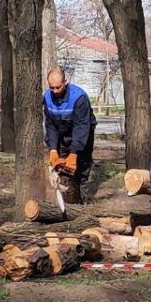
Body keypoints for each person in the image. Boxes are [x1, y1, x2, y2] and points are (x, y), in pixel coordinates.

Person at [44, 67, 96, 203]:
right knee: (61, 168)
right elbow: (50, 125)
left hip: (83, 131)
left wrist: (74, 152)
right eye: (52, 88)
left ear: (65, 82)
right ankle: (67, 200)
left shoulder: (79, 97)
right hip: (62, 130)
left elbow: (82, 126)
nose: (55, 91)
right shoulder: (47, 97)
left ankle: (84, 201)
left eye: (58, 87)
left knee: (82, 168)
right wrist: (53, 148)